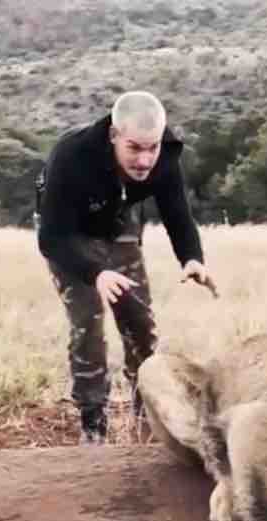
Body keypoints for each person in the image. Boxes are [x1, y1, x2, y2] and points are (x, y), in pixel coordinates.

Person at [36, 90, 216, 444]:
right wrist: (95, 273)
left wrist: (192, 258)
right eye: (134, 148)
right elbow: (51, 238)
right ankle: (93, 427)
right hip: (69, 235)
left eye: (152, 148)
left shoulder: (164, 156)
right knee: (88, 325)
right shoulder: (72, 156)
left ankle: (148, 422)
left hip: (117, 225)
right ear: (114, 135)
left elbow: (177, 212)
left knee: (141, 326)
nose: (146, 160)